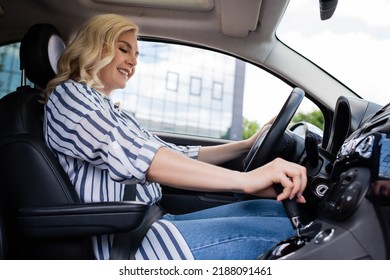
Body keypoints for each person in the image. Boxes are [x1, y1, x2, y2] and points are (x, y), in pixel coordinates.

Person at [44, 13, 307, 260]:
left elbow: (175, 154)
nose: (133, 61)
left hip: (151, 223)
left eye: (136, 54)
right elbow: (137, 157)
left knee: (275, 212)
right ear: (92, 48)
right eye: (123, 49)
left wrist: (247, 145)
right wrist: (245, 180)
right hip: (127, 244)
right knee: (287, 233)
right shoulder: (69, 97)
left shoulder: (108, 109)